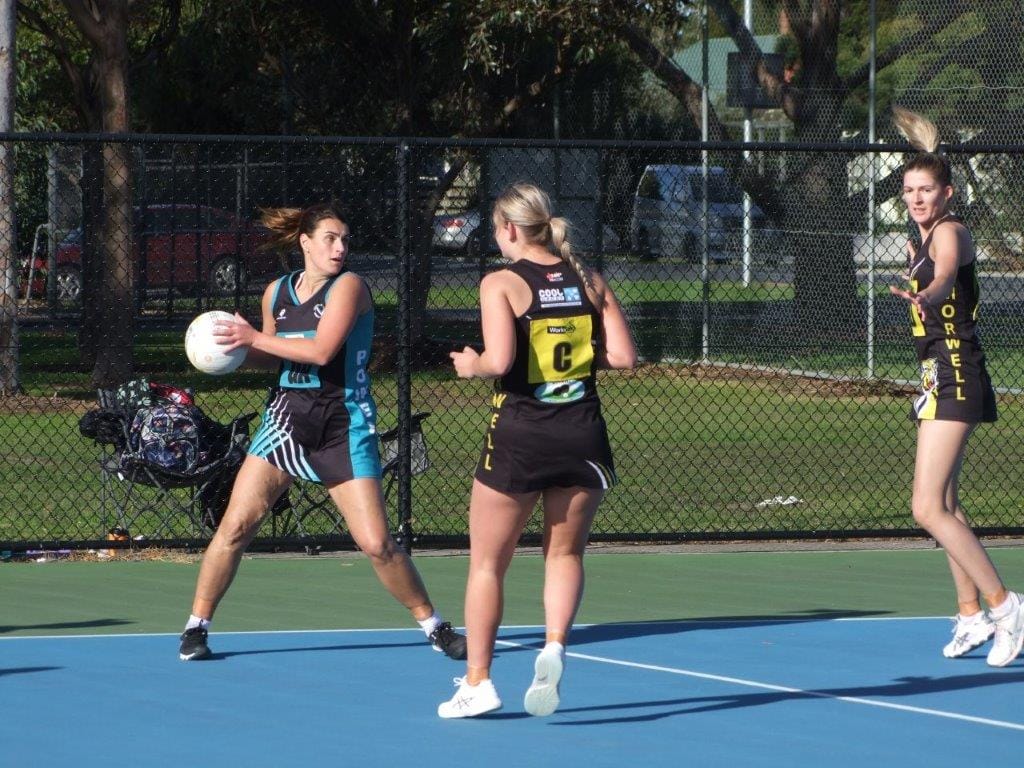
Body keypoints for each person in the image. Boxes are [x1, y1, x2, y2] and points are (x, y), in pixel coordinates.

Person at [178, 202, 465, 662]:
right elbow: (274, 354)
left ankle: (434, 625)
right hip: (285, 421)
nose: (340, 247)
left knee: (376, 543)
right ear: (305, 243)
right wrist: (227, 352)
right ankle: (196, 627)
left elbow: (321, 350)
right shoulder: (276, 293)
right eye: (330, 238)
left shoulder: (350, 287)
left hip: (342, 424)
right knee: (234, 526)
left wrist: (253, 338)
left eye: (345, 239)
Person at [437, 184, 637, 718]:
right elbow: (622, 356)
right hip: (583, 434)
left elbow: (501, 361)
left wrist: (471, 364)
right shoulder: (590, 280)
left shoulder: (501, 282)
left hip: (522, 436)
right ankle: (553, 645)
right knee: (565, 554)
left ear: (507, 229)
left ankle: (478, 682)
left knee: (487, 563)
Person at [889, 107, 1023, 666]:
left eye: (927, 190)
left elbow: (946, 272)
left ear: (947, 193)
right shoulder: (917, 238)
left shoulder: (951, 233)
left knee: (925, 507)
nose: (918, 198)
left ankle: (1006, 606)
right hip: (933, 376)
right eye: (910, 190)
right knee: (945, 502)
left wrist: (933, 292)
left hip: (957, 372)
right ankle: (969, 613)